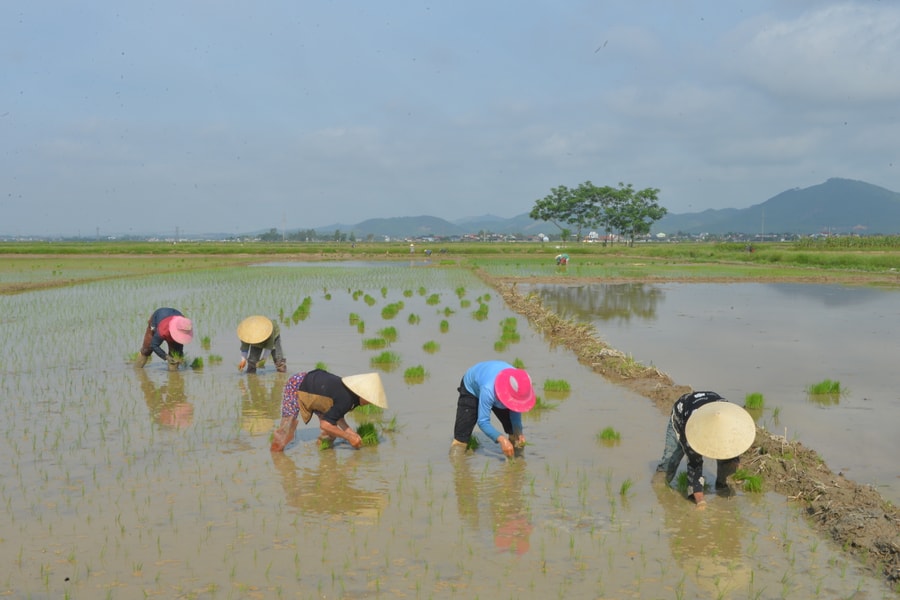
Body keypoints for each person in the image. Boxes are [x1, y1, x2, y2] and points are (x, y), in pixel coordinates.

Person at [654, 391, 756, 507]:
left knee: (728, 456)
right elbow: (694, 466)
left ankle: (721, 485)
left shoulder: (730, 419)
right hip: (682, 415)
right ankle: (659, 487)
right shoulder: (693, 432)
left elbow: (733, 447)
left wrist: (735, 463)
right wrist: (700, 501)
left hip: (709, 404)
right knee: (670, 459)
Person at [270, 369, 388, 452]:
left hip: (318, 389)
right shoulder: (347, 399)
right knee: (286, 430)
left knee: (332, 432)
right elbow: (325, 424)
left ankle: (325, 456)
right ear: (363, 394)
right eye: (370, 400)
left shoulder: (352, 397)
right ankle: (276, 457)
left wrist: (350, 432)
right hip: (298, 385)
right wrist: (349, 437)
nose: (370, 403)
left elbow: (337, 415)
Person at [449, 361, 536, 458]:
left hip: (495, 385)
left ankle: (516, 465)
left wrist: (518, 432)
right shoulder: (488, 390)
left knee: (515, 435)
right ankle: (457, 467)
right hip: (472, 389)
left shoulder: (519, 382)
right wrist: (502, 440)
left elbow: (515, 410)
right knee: (461, 439)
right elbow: (483, 422)